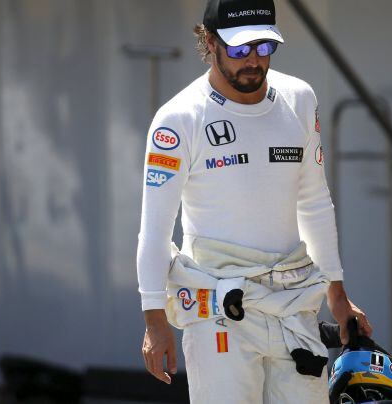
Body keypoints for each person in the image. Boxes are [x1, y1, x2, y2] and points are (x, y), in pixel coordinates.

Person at [136, 0, 372, 402]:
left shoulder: (299, 98)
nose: (253, 61)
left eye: (264, 47)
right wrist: (155, 318)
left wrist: (336, 293)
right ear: (210, 43)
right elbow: (156, 229)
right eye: (240, 49)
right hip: (217, 310)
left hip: (293, 303)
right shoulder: (178, 119)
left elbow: (314, 201)